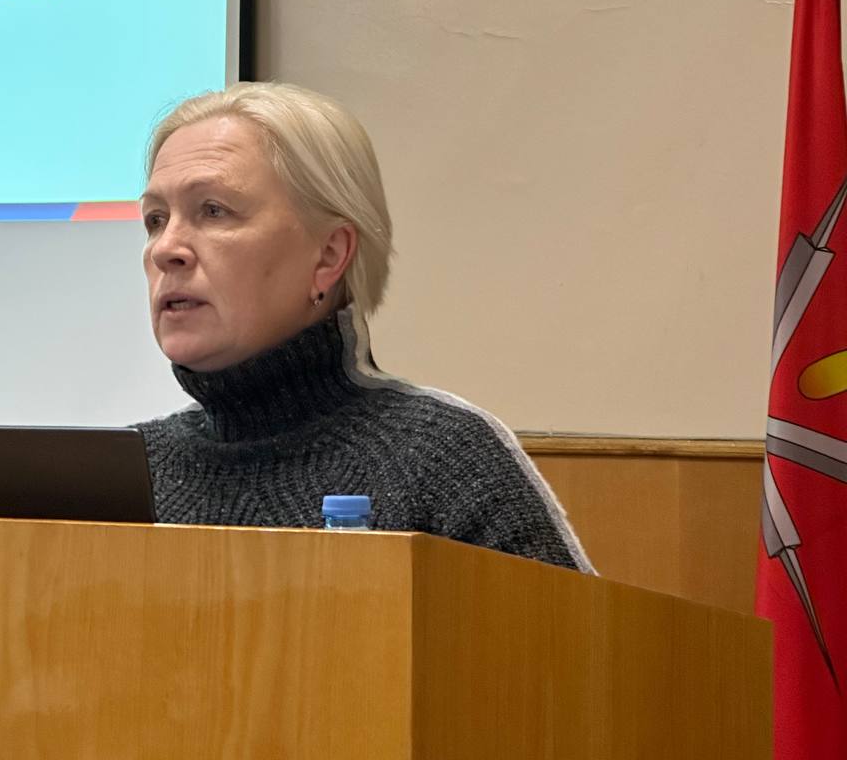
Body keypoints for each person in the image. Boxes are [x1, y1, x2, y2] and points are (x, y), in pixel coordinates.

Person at [136, 82, 592, 572]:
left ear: (329, 256)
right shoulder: (131, 469)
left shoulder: (443, 456)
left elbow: (569, 625)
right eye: (156, 219)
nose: (165, 248)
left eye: (213, 210)